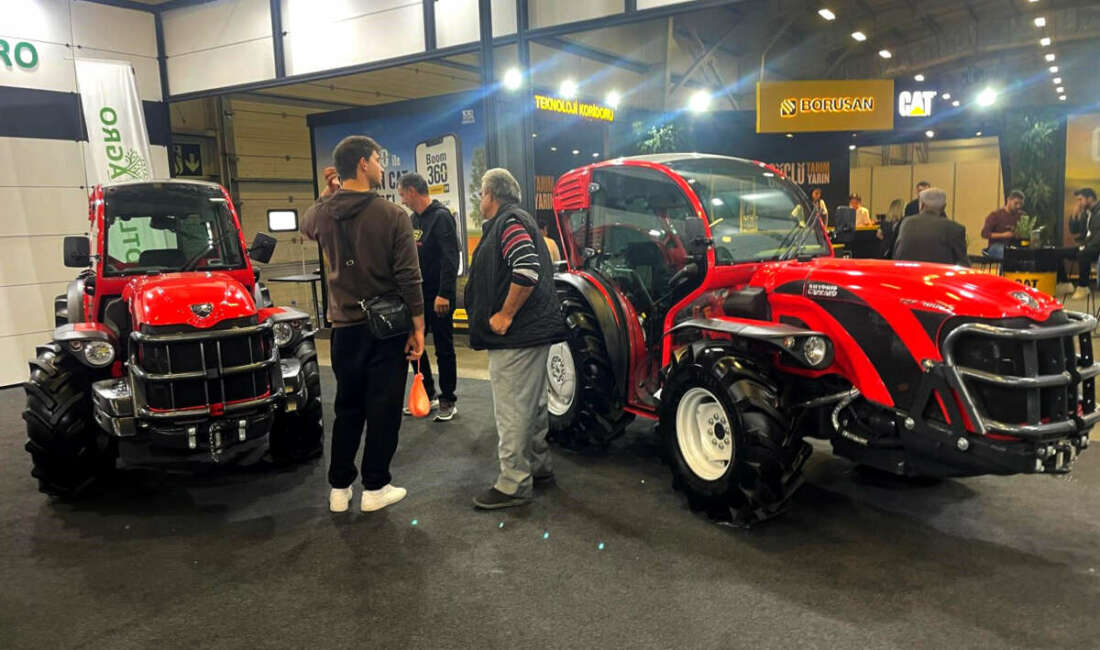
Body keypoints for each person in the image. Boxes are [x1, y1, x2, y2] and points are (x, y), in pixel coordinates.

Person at [302, 135, 425, 514]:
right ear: (362, 164)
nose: (381, 166)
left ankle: (339, 489)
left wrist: (327, 194)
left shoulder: (323, 213)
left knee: (347, 407)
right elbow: (409, 277)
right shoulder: (393, 215)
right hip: (386, 329)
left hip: (343, 328)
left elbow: (307, 225)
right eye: (377, 159)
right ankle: (375, 486)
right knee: (383, 409)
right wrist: (418, 328)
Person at [465, 169, 567, 510]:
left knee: (511, 410)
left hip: (516, 335)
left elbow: (526, 269)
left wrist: (505, 314)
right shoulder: (517, 221)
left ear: (491, 194)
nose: (480, 199)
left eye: (481, 193)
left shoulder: (508, 223)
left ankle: (513, 484)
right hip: (531, 333)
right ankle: (538, 468)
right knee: (533, 405)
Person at [397, 173, 460, 422]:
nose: (402, 200)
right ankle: (428, 393)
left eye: (403, 194)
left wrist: (445, 293)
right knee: (415, 345)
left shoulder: (441, 217)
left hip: (438, 297)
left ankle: (448, 399)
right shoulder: (414, 220)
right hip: (418, 297)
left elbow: (450, 258)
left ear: (412, 191)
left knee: (443, 348)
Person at [893, 187, 970, 267]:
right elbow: (963, 264)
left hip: (907, 272)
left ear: (922, 205)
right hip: (938, 274)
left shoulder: (906, 223)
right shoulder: (955, 229)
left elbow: (896, 254)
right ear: (944, 207)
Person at [1070, 188, 1100, 300]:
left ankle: (1083, 286)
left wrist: (1085, 246)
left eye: (1080, 199)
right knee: (1059, 252)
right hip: (1086, 245)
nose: (1079, 203)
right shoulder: (1086, 213)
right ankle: (1064, 283)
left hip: (1096, 247)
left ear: (1090, 198)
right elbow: (1075, 231)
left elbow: (1098, 237)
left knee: (1083, 254)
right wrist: (1074, 215)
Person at [980, 190, 1025, 260]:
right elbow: (984, 234)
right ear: (1008, 200)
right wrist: (1003, 235)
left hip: (1015, 245)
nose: (1018, 206)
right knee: (1008, 254)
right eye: (1016, 203)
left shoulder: (1021, 216)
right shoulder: (995, 215)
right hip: (996, 246)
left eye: (1021, 204)